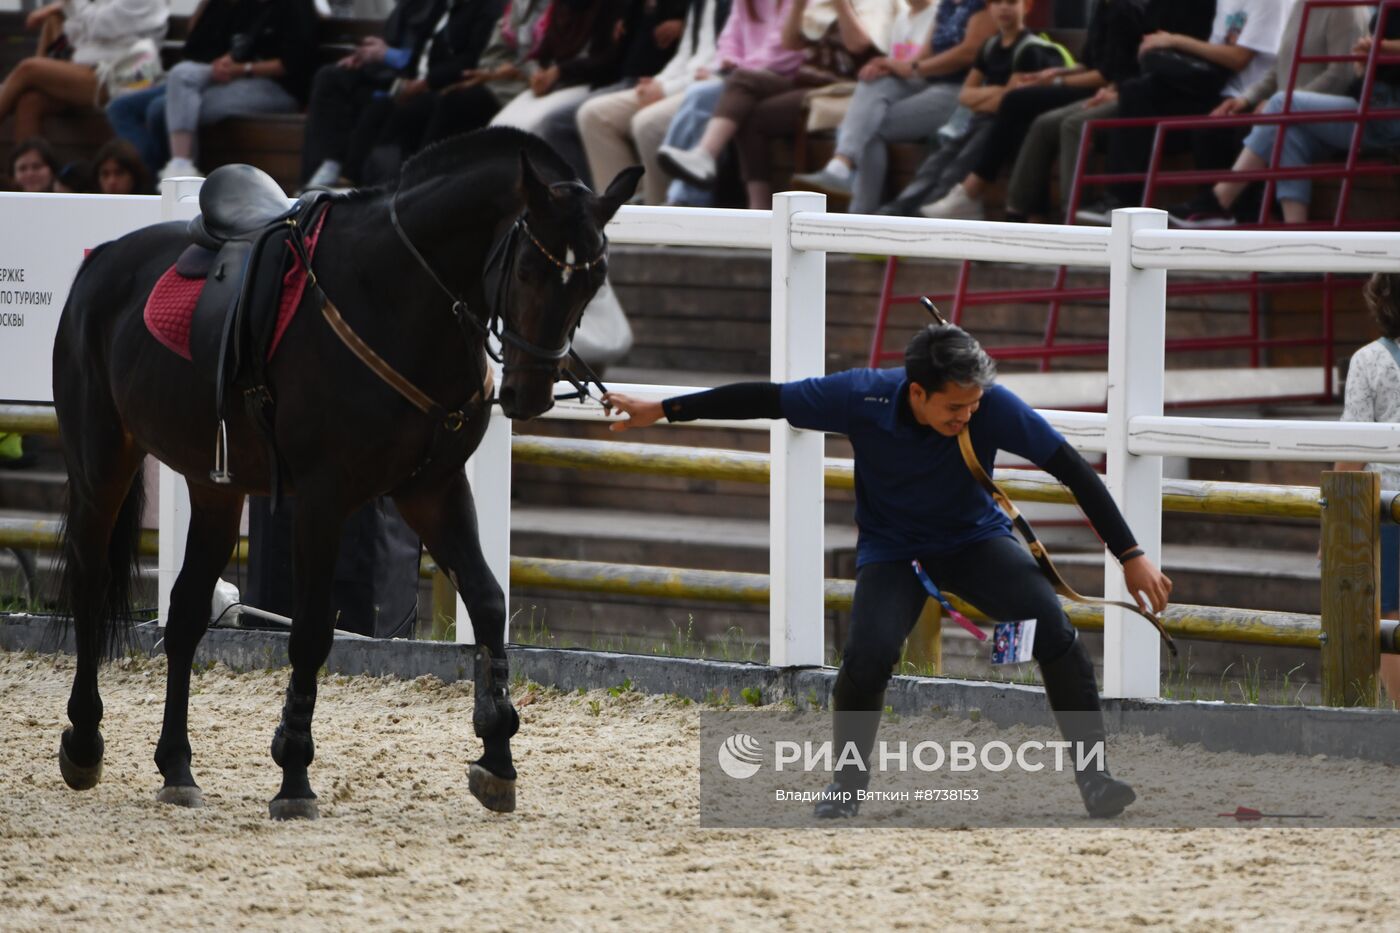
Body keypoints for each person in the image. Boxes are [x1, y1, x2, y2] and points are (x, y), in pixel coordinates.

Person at [604, 324, 1172, 818]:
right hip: (894, 551)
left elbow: (1071, 467)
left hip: (976, 542)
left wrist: (1130, 554)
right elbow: (769, 398)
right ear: (917, 392)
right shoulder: (862, 396)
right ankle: (847, 783)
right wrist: (665, 410)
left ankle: (1095, 780)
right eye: (954, 408)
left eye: (973, 406)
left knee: (1055, 632)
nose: (967, 415)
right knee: (868, 656)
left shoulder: (993, 404)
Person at [657, 0, 899, 210]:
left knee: (743, 91)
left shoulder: (873, 4)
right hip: (809, 80)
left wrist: (841, 5)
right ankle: (755, 202)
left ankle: (710, 160)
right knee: (746, 98)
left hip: (841, 87)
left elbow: (858, 45)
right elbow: (791, 41)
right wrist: (799, 6)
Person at [1001, 0, 1211, 224]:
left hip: (1134, 94)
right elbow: (1094, 64)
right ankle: (1017, 209)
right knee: (1043, 122)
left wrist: (1060, 82)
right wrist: (1054, 74)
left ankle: (1074, 213)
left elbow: (1117, 72)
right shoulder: (1103, 9)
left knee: (1073, 124)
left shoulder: (1128, 11)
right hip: (1121, 89)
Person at [1079, 0, 1285, 222]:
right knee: (1137, 92)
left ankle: (1217, 210)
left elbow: (1238, 58)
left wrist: (1174, 41)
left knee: (1209, 126)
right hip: (1219, 86)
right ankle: (1120, 201)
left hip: (1246, 96)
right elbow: (1216, 54)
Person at [1191, 4, 1394, 227]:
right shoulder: (1301, 6)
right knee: (1285, 132)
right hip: (1359, 109)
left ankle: (1219, 201)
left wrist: (1381, 50)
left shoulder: (1345, 8)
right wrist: (1246, 99)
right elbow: (1281, 64)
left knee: (1278, 110)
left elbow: (1340, 76)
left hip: (1379, 116)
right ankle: (1295, 233)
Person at [791, 0, 989, 214]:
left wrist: (912, 67)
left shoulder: (979, 5)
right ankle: (841, 166)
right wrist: (890, 66)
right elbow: (924, 55)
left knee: (869, 127)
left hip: (960, 90)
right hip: (928, 82)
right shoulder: (947, 6)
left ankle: (858, 215)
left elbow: (968, 53)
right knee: (873, 80)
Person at [887, 0, 1070, 220]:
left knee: (955, 169)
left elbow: (1009, 102)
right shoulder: (990, 46)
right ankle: (898, 212)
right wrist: (997, 91)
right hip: (979, 121)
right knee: (936, 162)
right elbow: (965, 96)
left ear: (1027, 7)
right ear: (988, 7)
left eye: (1011, 3)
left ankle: (924, 220)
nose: (1004, 8)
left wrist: (986, 96)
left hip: (1002, 128)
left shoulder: (1029, 50)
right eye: (997, 3)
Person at [300, 0, 478, 188]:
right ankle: (325, 166)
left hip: (414, 79)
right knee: (330, 77)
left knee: (381, 108)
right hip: (388, 72)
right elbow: (405, 45)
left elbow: (434, 57)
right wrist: (365, 55)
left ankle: (354, 180)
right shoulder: (411, 6)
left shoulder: (446, 7)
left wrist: (387, 54)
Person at [576, 0, 732, 204]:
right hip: (682, 81)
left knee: (647, 124)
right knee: (593, 115)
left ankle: (657, 216)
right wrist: (659, 81)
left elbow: (721, 63)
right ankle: (621, 208)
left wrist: (665, 89)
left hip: (708, 87)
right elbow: (685, 55)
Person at [657, 0, 807, 207]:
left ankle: (689, 192)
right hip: (745, 77)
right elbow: (729, 37)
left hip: (787, 75)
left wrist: (739, 68)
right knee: (699, 94)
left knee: (719, 92)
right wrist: (727, 60)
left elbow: (784, 51)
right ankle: (690, 189)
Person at [157, 0, 320, 180]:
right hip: (235, 78)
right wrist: (226, 62)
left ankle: (183, 172)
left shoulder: (296, 7)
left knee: (177, 108)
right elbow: (219, 46)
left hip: (278, 87)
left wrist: (243, 68)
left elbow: (293, 63)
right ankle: (181, 166)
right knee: (181, 75)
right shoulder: (245, 5)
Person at [1336, 273, 1400, 704]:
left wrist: (1334, 519)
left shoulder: (1368, 362)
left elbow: (1352, 449)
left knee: (1390, 614)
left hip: (1387, 507)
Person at [0, 0, 168, 140]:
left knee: (29, 69)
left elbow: (98, 25)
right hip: (90, 72)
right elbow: (80, 36)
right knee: (30, 102)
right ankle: (27, 173)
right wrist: (61, 9)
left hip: (120, 79)